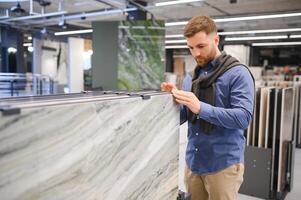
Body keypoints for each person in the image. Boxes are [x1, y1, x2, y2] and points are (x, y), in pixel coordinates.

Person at [161, 15, 255, 200]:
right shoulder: (192, 77)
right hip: (194, 163)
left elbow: (244, 117)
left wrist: (200, 107)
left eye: (201, 46)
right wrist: (170, 102)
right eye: (191, 48)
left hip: (223, 165)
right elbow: (186, 115)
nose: (196, 53)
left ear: (216, 40)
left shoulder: (237, 74)